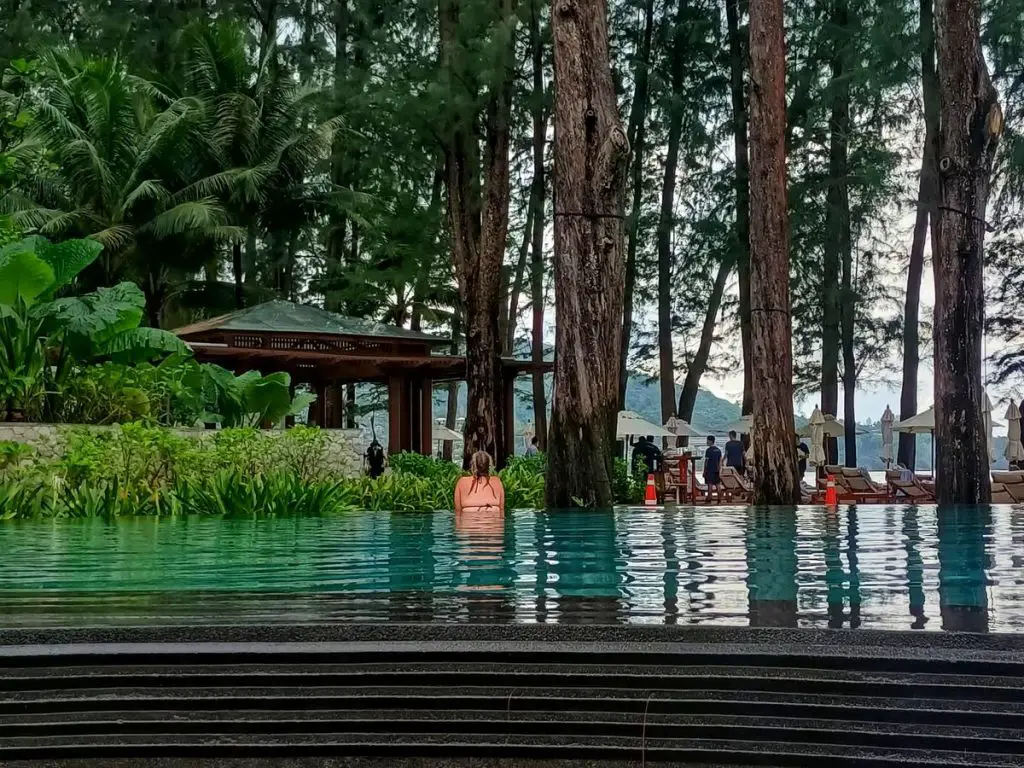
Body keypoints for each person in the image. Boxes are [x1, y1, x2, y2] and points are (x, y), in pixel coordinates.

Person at [704, 435, 722, 503]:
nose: (707, 442)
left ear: (710, 441)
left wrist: (704, 471)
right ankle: (719, 499)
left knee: (710, 484)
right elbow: (720, 461)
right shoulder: (718, 450)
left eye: (707, 440)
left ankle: (709, 499)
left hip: (710, 470)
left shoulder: (708, 450)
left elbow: (706, 462)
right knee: (718, 484)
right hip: (717, 470)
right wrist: (719, 470)